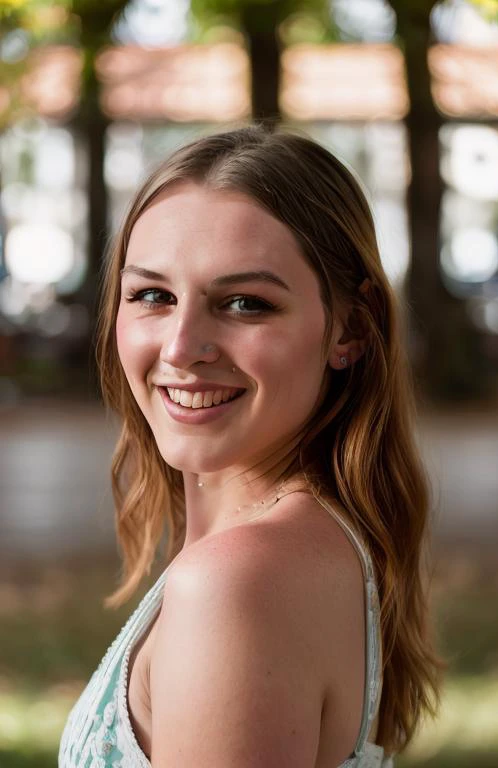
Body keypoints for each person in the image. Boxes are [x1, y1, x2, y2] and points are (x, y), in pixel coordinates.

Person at [59, 125, 441, 767]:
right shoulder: (309, 546)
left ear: (351, 327)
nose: (181, 348)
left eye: (244, 303)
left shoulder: (237, 584)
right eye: (153, 294)